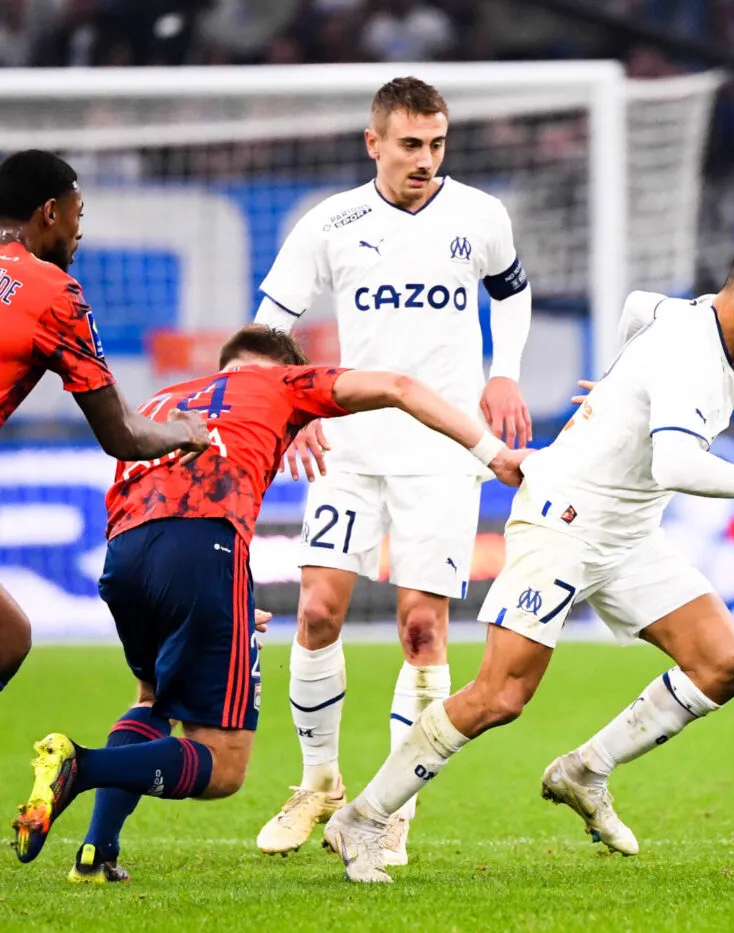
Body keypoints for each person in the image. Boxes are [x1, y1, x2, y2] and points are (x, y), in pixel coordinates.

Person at [321, 240, 734, 884]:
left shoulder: (690, 321)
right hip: (565, 520)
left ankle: (584, 770)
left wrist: (618, 386)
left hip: (629, 535)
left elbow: (635, 308)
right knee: (501, 695)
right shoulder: (690, 355)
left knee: (725, 664)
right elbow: (676, 464)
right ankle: (363, 819)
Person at [10, 324, 528, 882]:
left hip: (124, 554)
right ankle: (81, 766)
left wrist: (226, 601)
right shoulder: (283, 384)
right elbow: (399, 385)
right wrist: (493, 454)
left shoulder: (165, 397)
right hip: (202, 548)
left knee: (152, 697)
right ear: (283, 368)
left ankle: (97, 852)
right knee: (222, 766)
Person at [252, 76, 534, 864]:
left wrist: (503, 370)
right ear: (372, 142)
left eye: (438, 144)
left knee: (421, 627)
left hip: (445, 450)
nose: (426, 159)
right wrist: (292, 405)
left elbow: (513, 290)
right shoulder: (331, 222)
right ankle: (318, 784)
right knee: (315, 612)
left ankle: (392, 803)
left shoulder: (479, 216)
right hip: (352, 445)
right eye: (411, 144)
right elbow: (269, 323)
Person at [0, 149, 209, 694]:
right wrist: (186, 431)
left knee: (7, 634)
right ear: (50, 211)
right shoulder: (51, 292)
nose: (79, 232)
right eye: (78, 214)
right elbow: (122, 434)